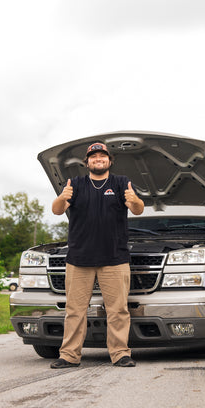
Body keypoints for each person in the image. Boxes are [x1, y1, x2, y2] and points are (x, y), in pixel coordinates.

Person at [50, 142, 144, 369]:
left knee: (118, 310)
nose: (98, 159)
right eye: (94, 157)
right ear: (87, 162)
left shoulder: (121, 183)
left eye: (102, 156)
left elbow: (138, 208)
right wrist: (63, 197)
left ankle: (120, 353)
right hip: (79, 259)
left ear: (110, 160)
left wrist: (134, 201)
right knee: (74, 311)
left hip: (115, 258)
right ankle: (69, 356)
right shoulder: (76, 184)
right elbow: (57, 210)